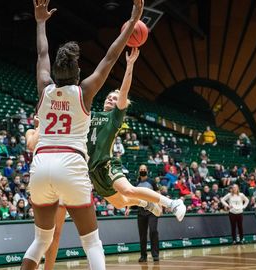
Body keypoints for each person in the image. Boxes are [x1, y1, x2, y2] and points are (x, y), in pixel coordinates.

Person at [36, 46, 185, 270]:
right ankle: (146, 202)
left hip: (106, 164)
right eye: (109, 96)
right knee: (122, 202)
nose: (111, 99)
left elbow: (124, 92)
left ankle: (171, 203)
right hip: (87, 171)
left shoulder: (115, 118)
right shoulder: (89, 114)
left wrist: (130, 66)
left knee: (127, 191)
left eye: (115, 98)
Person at [21, 0, 144, 269]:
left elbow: (42, 54)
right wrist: (133, 20)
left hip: (40, 165)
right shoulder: (84, 92)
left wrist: (40, 21)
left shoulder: (45, 88)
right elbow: (111, 56)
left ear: (55, 73)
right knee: (91, 243)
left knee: (40, 241)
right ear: (78, 74)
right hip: (71, 164)